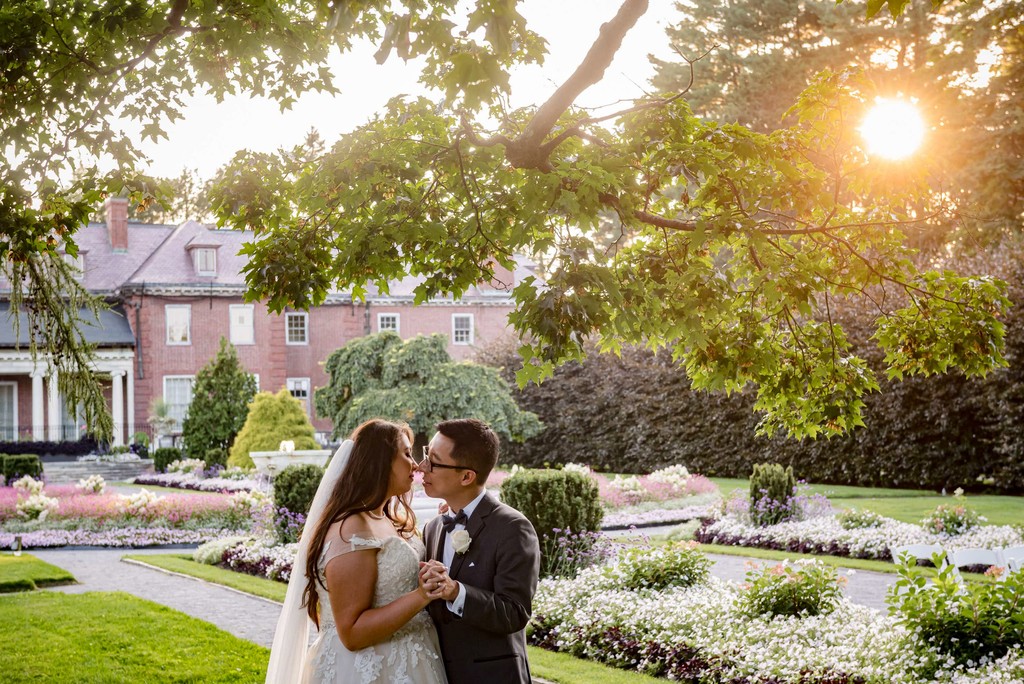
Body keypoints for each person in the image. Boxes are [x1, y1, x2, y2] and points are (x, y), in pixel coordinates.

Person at [266, 419, 448, 684]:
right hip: (367, 670)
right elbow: (352, 633)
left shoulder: (385, 517)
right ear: (380, 461)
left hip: (409, 661)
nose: (416, 464)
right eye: (407, 454)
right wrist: (421, 596)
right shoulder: (351, 527)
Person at [417, 418, 541, 684]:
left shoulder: (513, 528)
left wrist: (455, 592)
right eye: (426, 454)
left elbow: (515, 612)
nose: (422, 466)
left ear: (466, 476)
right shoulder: (432, 527)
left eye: (434, 462)